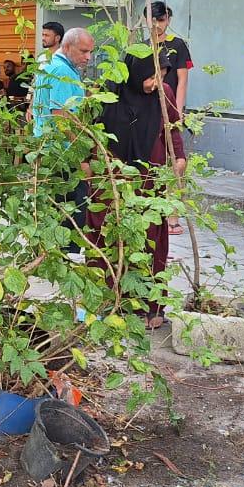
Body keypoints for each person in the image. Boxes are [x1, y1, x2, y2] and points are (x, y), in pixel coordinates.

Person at [94, 49, 183, 320]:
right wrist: (91, 165)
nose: (156, 83)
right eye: (151, 77)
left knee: (150, 241)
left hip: (149, 180)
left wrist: (178, 157)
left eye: (161, 76)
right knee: (108, 237)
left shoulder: (163, 93)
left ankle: (150, 307)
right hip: (114, 181)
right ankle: (110, 303)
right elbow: (93, 132)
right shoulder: (108, 93)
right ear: (135, 73)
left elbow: (173, 128)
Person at [32, 27, 96, 251]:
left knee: (53, 206)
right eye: (84, 51)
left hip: (48, 148)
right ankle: (64, 256)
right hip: (62, 150)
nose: (88, 57)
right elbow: (61, 118)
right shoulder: (62, 71)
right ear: (67, 47)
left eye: (90, 52)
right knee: (71, 207)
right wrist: (81, 156)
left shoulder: (50, 64)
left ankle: (51, 251)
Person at [147, 2, 192, 234]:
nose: (157, 25)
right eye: (153, 20)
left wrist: (179, 112)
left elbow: (182, 80)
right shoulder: (142, 47)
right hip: (146, 115)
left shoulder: (177, 45)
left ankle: (172, 219)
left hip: (170, 110)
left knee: (176, 163)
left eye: (161, 20)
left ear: (169, 19)